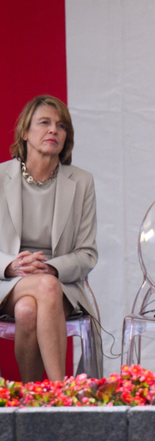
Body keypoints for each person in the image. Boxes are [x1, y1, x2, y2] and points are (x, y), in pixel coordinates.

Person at [0, 95, 99, 382]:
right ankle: (60, 393)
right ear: (25, 132)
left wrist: (52, 268)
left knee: (28, 309)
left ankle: (35, 399)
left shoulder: (82, 182)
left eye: (61, 126)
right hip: (6, 281)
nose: (53, 130)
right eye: (44, 123)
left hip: (62, 284)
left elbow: (87, 254)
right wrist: (10, 265)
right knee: (44, 288)